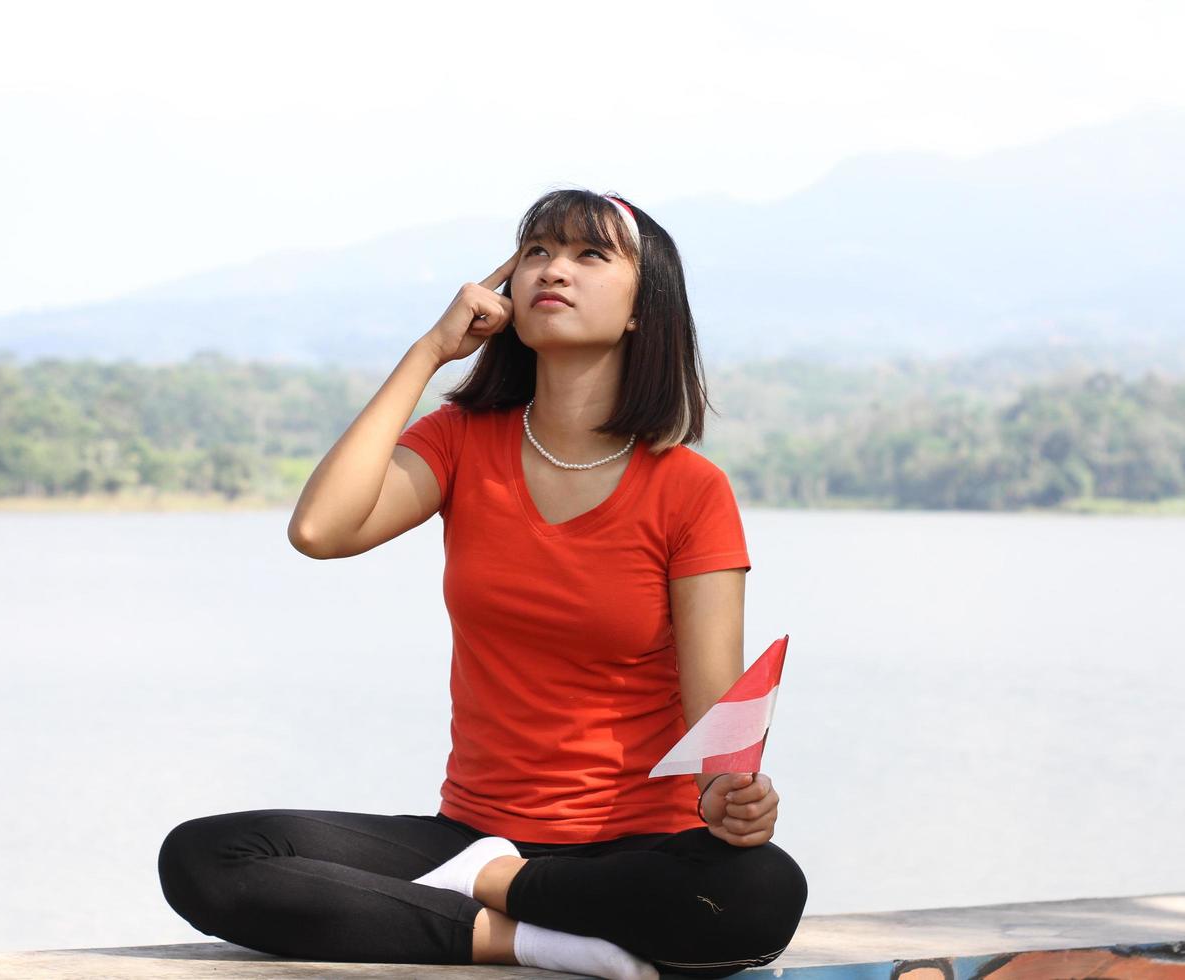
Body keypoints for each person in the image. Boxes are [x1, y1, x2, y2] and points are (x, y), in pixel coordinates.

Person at [156, 188, 807, 979]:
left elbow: (716, 738)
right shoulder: (462, 443)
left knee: (761, 891)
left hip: (634, 849)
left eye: (588, 255)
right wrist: (431, 351)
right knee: (205, 857)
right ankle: (530, 937)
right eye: (536, 252)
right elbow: (320, 530)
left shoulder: (690, 489)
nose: (552, 270)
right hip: (474, 832)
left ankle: (500, 890)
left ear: (645, 308)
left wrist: (732, 803)